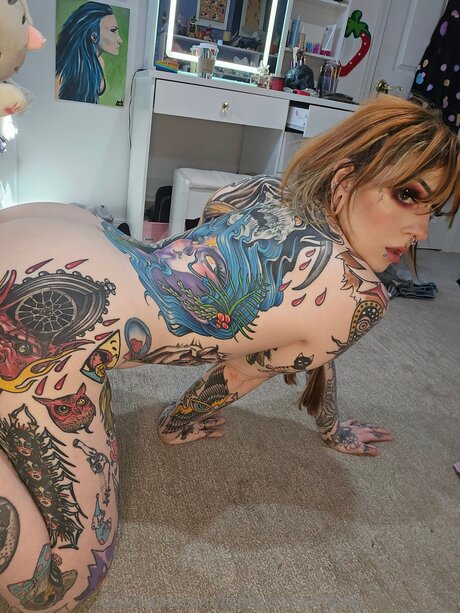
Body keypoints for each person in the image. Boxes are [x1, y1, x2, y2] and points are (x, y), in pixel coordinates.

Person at [0, 95, 459, 611]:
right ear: (345, 179)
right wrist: (177, 422)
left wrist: (329, 420)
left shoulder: (270, 190)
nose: (421, 231)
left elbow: (301, 334)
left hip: (56, 230)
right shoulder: (359, 298)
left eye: (433, 210)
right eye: (407, 195)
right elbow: (243, 368)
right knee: (60, 589)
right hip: (47, 323)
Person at [55, 1, 122, 103]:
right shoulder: (61, 72)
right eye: (113, 31)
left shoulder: (99, 62)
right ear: (94, 36)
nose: (120, 40)